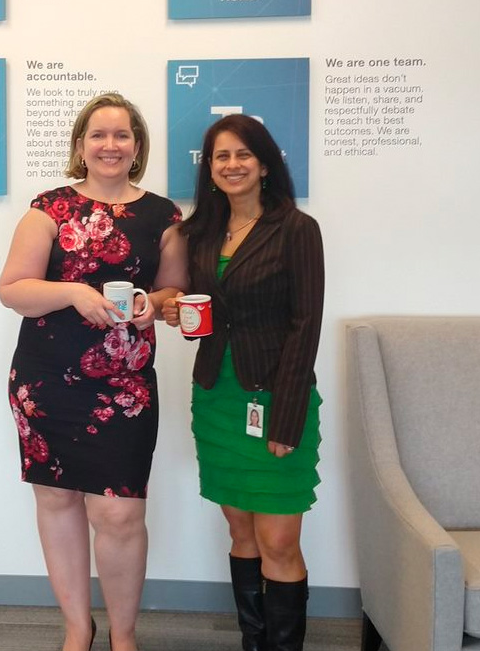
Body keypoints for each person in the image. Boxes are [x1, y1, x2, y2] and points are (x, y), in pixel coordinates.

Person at [0, 93, 188, 651]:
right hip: (46, 380)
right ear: (80, 145)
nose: (110, 145)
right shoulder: (48, 208)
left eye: (122, 135)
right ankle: (78, 629)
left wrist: (157, 303)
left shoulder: (163, 215)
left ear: (137, 146)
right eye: (98, 135)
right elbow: (13, 290)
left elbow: (174, 290)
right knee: (57, 500)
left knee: (120, 513)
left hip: (124, 387)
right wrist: (73, 292)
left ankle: (123, 636)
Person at [163, 114, 324, 651]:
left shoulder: (297, 229)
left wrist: (288, 416)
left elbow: (306, 326)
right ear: (209, 170)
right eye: (220, 157)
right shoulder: (201, 233)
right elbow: (208, 316)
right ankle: (253, 643)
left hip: (278, 396)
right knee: (241, 532)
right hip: (218, 397)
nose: (232, 166)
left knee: (278, 538)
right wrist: (180, 315)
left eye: (242, 155)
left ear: (264, 164)